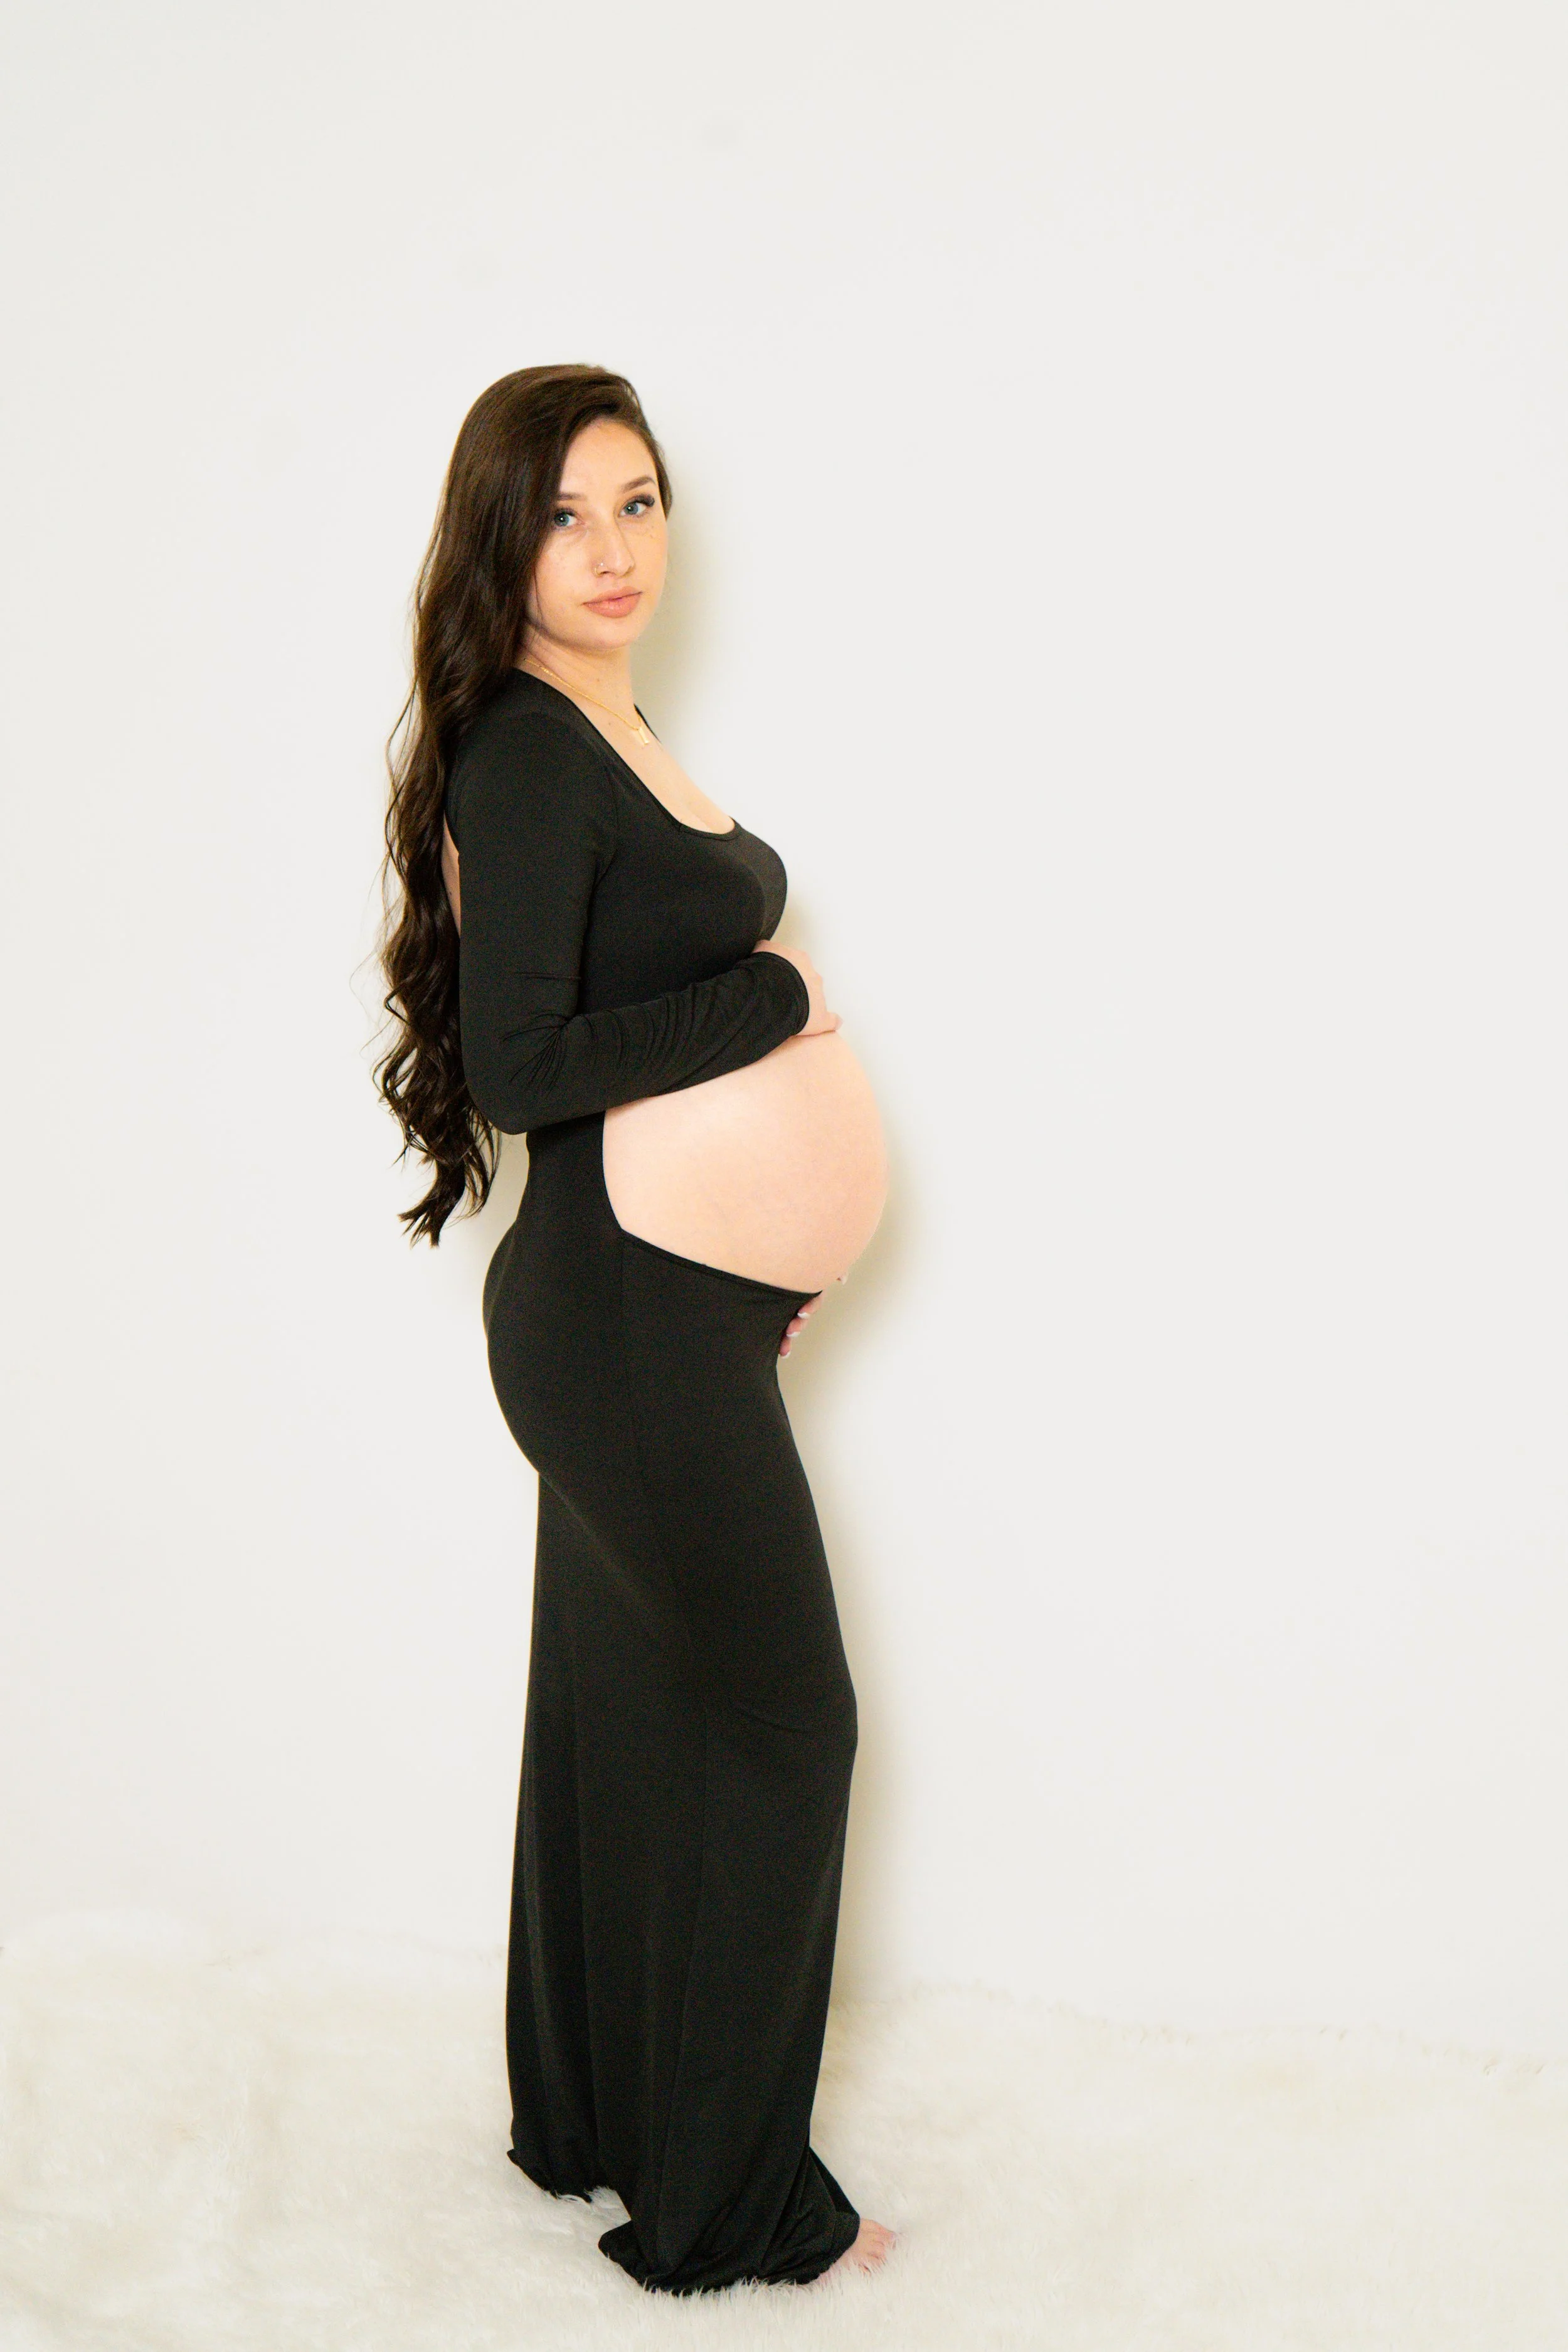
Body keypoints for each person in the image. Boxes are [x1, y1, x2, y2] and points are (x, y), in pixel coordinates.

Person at [374, 363, 894, 2292]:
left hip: (661, 1312)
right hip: (613, 1312)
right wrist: (769, 1003)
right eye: (567, 514)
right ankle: (730, 2209)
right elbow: (522, 1063)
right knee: (787, 1724)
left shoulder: (610, 719)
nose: (610, 551)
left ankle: (596, 2122)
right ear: (498, 539)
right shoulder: (523, 751)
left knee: (627, 1715)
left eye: (641, 503)